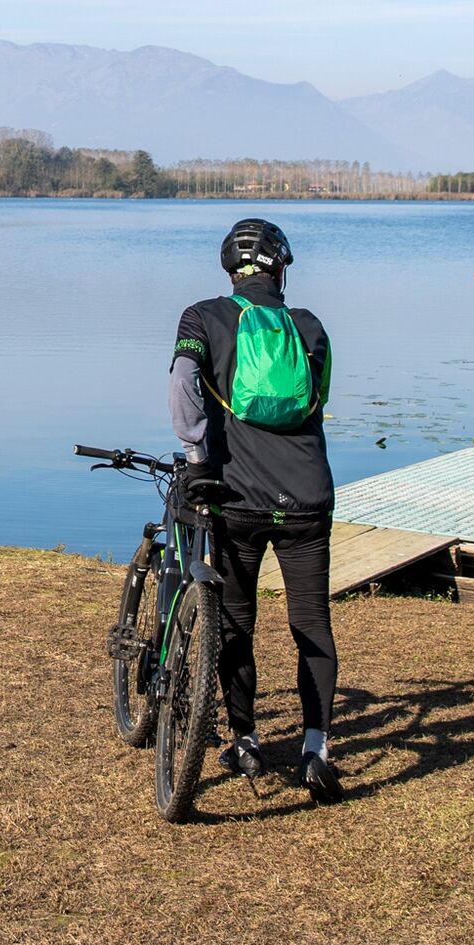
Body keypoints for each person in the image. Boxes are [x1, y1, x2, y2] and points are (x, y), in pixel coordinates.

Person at [169, 218, 341, 802]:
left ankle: (245, 740)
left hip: (236, 497)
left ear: (229, 269)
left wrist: (197, 456)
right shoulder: (311, 327)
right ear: (280, 269)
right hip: (308, 497)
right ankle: (316, 749)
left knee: (237, 620)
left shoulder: (202, 317)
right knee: (311, 621)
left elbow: (183, 385)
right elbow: (317, 398)